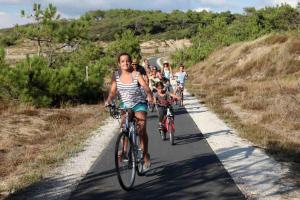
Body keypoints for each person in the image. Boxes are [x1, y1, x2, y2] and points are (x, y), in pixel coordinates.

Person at [106, 52, 153, 171]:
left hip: (139, 103)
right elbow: (112, 91)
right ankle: (125, 151)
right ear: (119, 63)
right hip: (125, 104)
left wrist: (149, 95)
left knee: (141, 130)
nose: (125, 63)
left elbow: (145, 86)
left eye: (127, 61)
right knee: (124, 126)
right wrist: (109, 100)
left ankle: (145, 154)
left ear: (130, 62)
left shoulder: (136, 74)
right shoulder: (116, 75)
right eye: (122, 61)